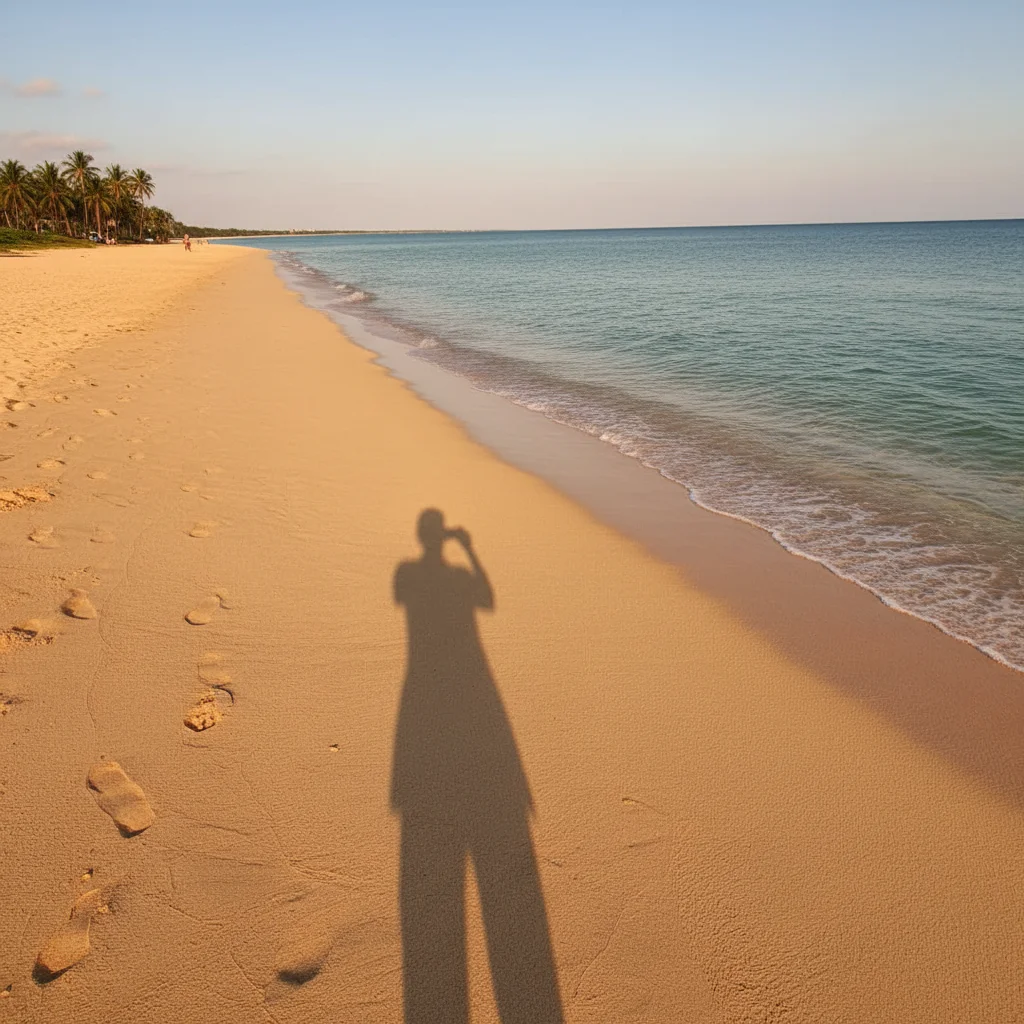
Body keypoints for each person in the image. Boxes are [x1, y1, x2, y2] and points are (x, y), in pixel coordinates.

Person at [391, 509, 563, 1024]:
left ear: (419, 535)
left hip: (422, 695)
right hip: (472, 689)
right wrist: (467, 549)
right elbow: (488, 599)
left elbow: (409, 600)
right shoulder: (457, 576)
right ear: (442, 534)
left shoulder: (407, 575)